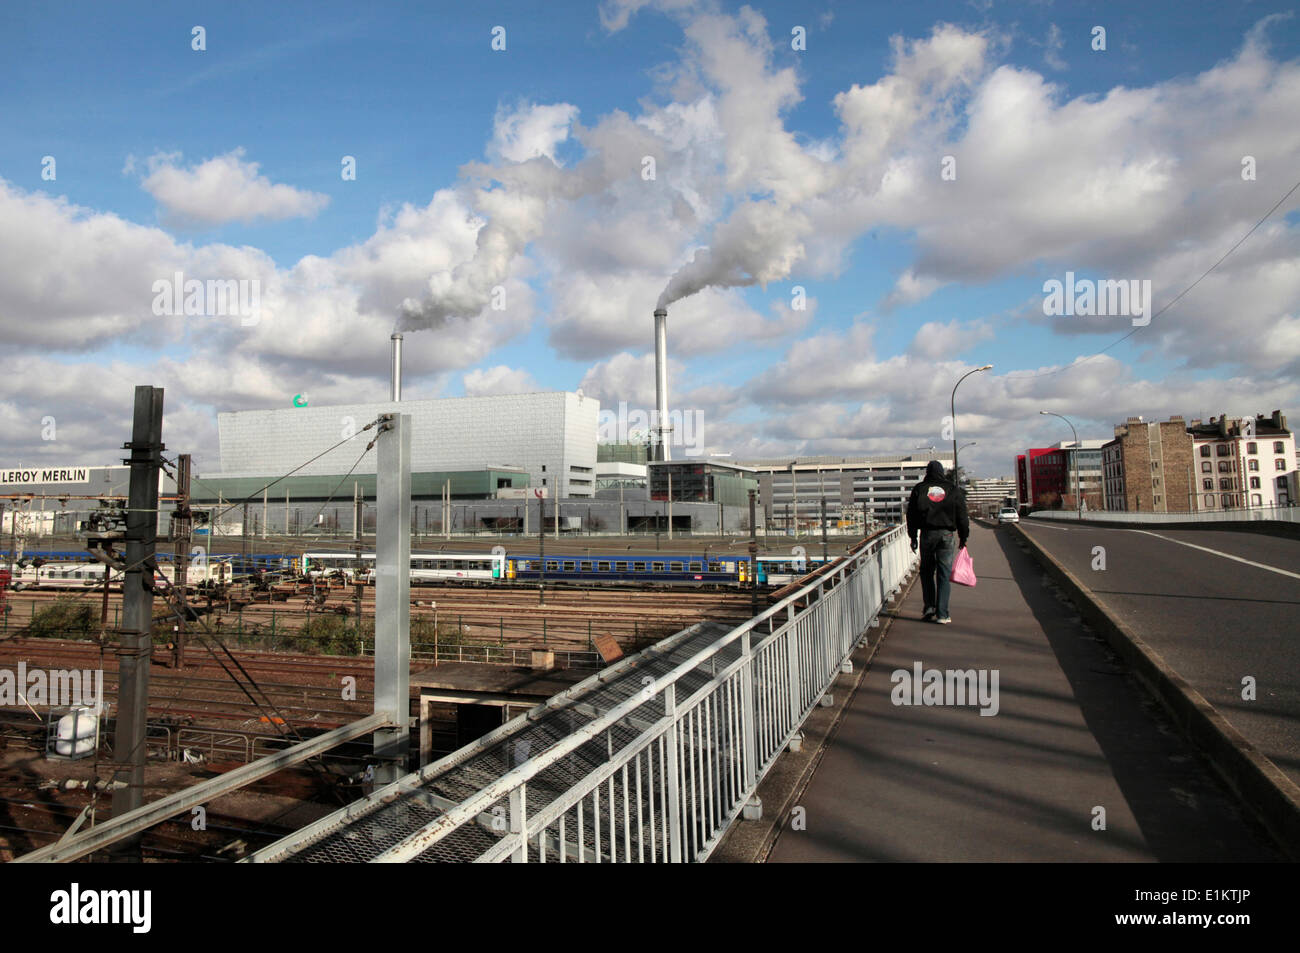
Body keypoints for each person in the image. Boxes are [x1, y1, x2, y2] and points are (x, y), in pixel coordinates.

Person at [906, 460, 970, 624]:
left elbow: (911, 514)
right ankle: (942, 613)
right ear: (942, 472)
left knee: (926, 571)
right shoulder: (952, 489)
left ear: (927, 472)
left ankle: (929, 606)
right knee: (944, 573)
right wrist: (964, 537)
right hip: (947, 535)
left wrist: (913, 536)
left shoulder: (920, 489)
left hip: (927, 534)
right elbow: (962, 514)